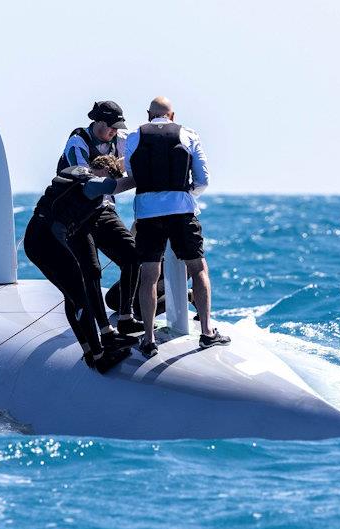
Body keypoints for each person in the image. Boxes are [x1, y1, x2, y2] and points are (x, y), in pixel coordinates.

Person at [125, 96, 231, 357]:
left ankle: (149, 339)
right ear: (172, 116)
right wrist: (184, 195)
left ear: (149, 114)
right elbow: (203, 179)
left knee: (149, 274)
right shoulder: (189, 134)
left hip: (148, 213)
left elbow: (132, 174)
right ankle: (207, 332)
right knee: (198, 268)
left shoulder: (133, 136)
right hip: (182, 211)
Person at [25, 155, 136, 373]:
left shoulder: (76, 176)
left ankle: (89, 351)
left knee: (73, 296)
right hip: (48, 243)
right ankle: (100, 355)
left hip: (35, 240)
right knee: (81, 297)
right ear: (102, 171)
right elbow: (113, 186)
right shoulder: (91, 182)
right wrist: (144, 176)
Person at [57, 101, 143, 335]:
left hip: (104, 210)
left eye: (117, 127)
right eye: (111, 127)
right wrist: (131, 180)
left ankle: (126, 317)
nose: (114, 131)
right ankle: (102, 330)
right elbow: (88, 184)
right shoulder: (78, 142)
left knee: (132, 256)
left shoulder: (120, 139)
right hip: (77, 215)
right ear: (98, 122)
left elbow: (140, 148)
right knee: (92, 271)